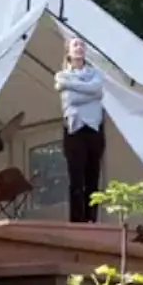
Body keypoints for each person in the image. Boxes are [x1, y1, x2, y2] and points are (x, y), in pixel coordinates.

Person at [54, 37, 106, 223]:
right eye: (75, 45)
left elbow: (98, 90)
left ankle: (92, 219)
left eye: (82, 45)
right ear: (68, 51)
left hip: (94, 129)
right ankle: (77, 221)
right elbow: (70, 100)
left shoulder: (95, 74)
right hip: (74, 129)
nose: (79, 48)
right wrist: (91, 95)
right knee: (76, 180)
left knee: (93, 177)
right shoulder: (61, 75)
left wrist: (70, 86)